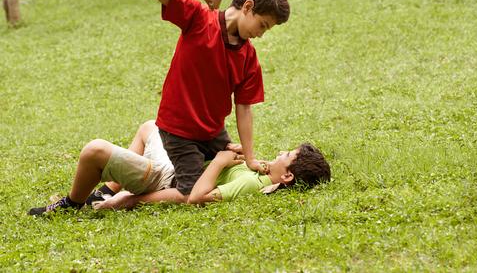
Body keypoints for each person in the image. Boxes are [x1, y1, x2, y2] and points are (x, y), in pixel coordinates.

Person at [143, 0, 290, 204]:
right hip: (180, 131)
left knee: (232, 167)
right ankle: (126, 199)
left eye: (266, 30)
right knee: (190, 193)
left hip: (214, 133)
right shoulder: (199, 18)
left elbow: (244, 109)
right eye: (262, 25)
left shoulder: (249, 58)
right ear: (248, 7)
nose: (260, 34)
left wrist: (250, 158)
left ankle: (118, 184)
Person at [28, 121, 331, 216]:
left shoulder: (250, 186)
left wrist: (131, 201)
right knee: (152, 126)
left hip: (166, 180)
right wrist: (235, 154)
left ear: (288, 175)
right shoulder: (262, 175)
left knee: (94, 150)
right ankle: (106, 189)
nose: (280, 152)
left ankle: (71, 204)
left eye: (286, 155)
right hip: (176, 166)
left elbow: (194, 196)